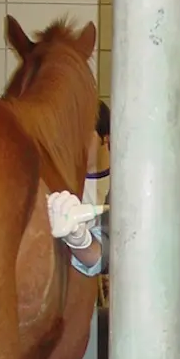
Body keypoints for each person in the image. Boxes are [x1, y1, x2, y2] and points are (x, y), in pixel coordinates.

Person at [47, 99, 111, 274]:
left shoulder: (123, 187)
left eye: (84, 136)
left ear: (106, 139)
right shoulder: (60, 190)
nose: (75, 145)